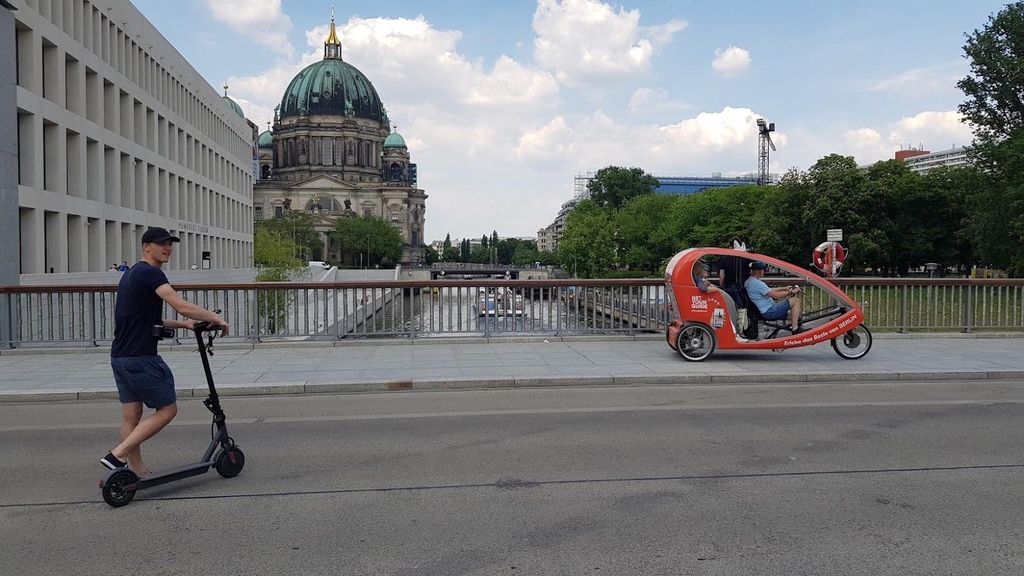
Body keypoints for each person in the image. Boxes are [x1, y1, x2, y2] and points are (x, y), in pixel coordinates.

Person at [101, 227, 228, 475]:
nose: (167, 248)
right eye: (161, 244)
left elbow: (150, 320)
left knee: (131, 416)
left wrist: (186, 325)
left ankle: (135, 472)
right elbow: (180, 304)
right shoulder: (150, 273)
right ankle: (118, 454)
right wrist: (214, 317)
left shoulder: (132, 274)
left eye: (170, 244)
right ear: (146, 246)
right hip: (141, 357)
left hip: (121, 356)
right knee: (168, 410)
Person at [744, 261, 803, 333]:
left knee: (795, 315)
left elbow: (769, 290)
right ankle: (795, 329)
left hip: (763, 311)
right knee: (795, 300)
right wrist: (791, 292)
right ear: (760, 271)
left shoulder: (749, 282)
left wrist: (784, 288)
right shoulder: (757, 283)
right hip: (769, 312)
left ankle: (798, 328)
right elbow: (775, 295)